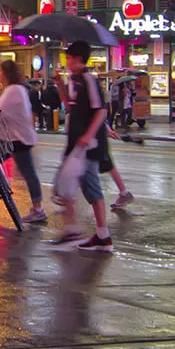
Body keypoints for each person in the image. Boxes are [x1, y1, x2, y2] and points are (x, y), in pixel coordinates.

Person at [51, 42, 113, 251]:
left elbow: (101, 110)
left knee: (89, 187)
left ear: (78, 59)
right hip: (75, 143)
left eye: (69, 58)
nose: (66, 62)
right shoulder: (75, 80)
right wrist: (60, 85)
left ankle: (98, 235)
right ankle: (79, 231)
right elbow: (69, 106)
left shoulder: (88, 79)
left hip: (87, 145)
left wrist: (87, 135)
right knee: (67, 185)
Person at [0, 60, 46, 224]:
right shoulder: (17, 89)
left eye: (0, 71)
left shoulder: (13, 90)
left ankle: (38, 209)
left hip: (17, 139)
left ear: (5, 73)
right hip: (13, 137)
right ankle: (34, 206)